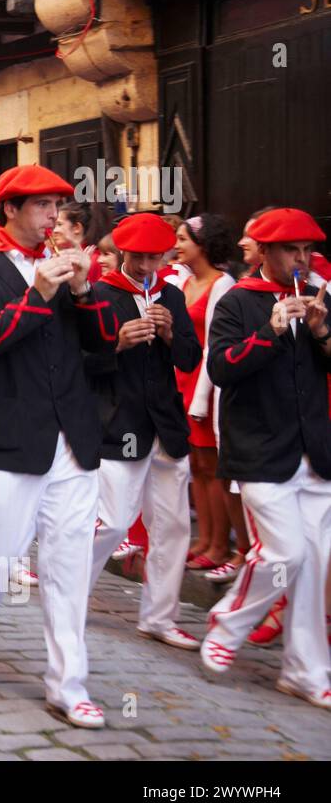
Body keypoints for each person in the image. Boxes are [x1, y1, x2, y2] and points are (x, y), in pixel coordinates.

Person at [0, 165, 118, 729]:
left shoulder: (69, 269)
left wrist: (86, 289)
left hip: (71, 437)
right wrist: (38, 292)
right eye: (42, 207)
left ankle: (69, 685)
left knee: (67, 565)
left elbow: (105, 348)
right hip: (5, 434)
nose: (53, 219)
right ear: (10, 210)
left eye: (57, 207)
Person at [200, 208, 331, 711]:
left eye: (307, 250)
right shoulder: (237, 301)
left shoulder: (320, 297)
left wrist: (320, 333)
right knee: (287, 554)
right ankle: (229, 622)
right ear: (268, 253)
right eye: (292, 250)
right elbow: (222, 369)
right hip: (259, 452)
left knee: (314, 564)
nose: (302, 258)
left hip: (314, 454)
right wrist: (271, 333)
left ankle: (304, 670)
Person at [86, 213, 201, 650]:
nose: (148, 267)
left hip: (166, 427)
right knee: (112, 524)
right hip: (118, 424)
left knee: (172, 527)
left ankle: (160, 616)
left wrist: (173, 335)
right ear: (121, 253)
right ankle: (72, 596)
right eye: (139, 258)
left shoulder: (170, 295)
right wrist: (116, 344)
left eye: (156, 258)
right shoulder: (98, 294)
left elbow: (190, 359)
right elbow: (77, 363)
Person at [172, 215, 243, 581]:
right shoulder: (186, 282)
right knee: (195, 466)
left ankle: (220, 544)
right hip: (182, 378)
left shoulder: (221, 284)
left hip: (206, 382)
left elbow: (215, 345)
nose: (177, 244)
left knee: (212, 465)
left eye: (183, 239)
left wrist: (201, 399)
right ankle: (204, 541)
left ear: (203, 245)